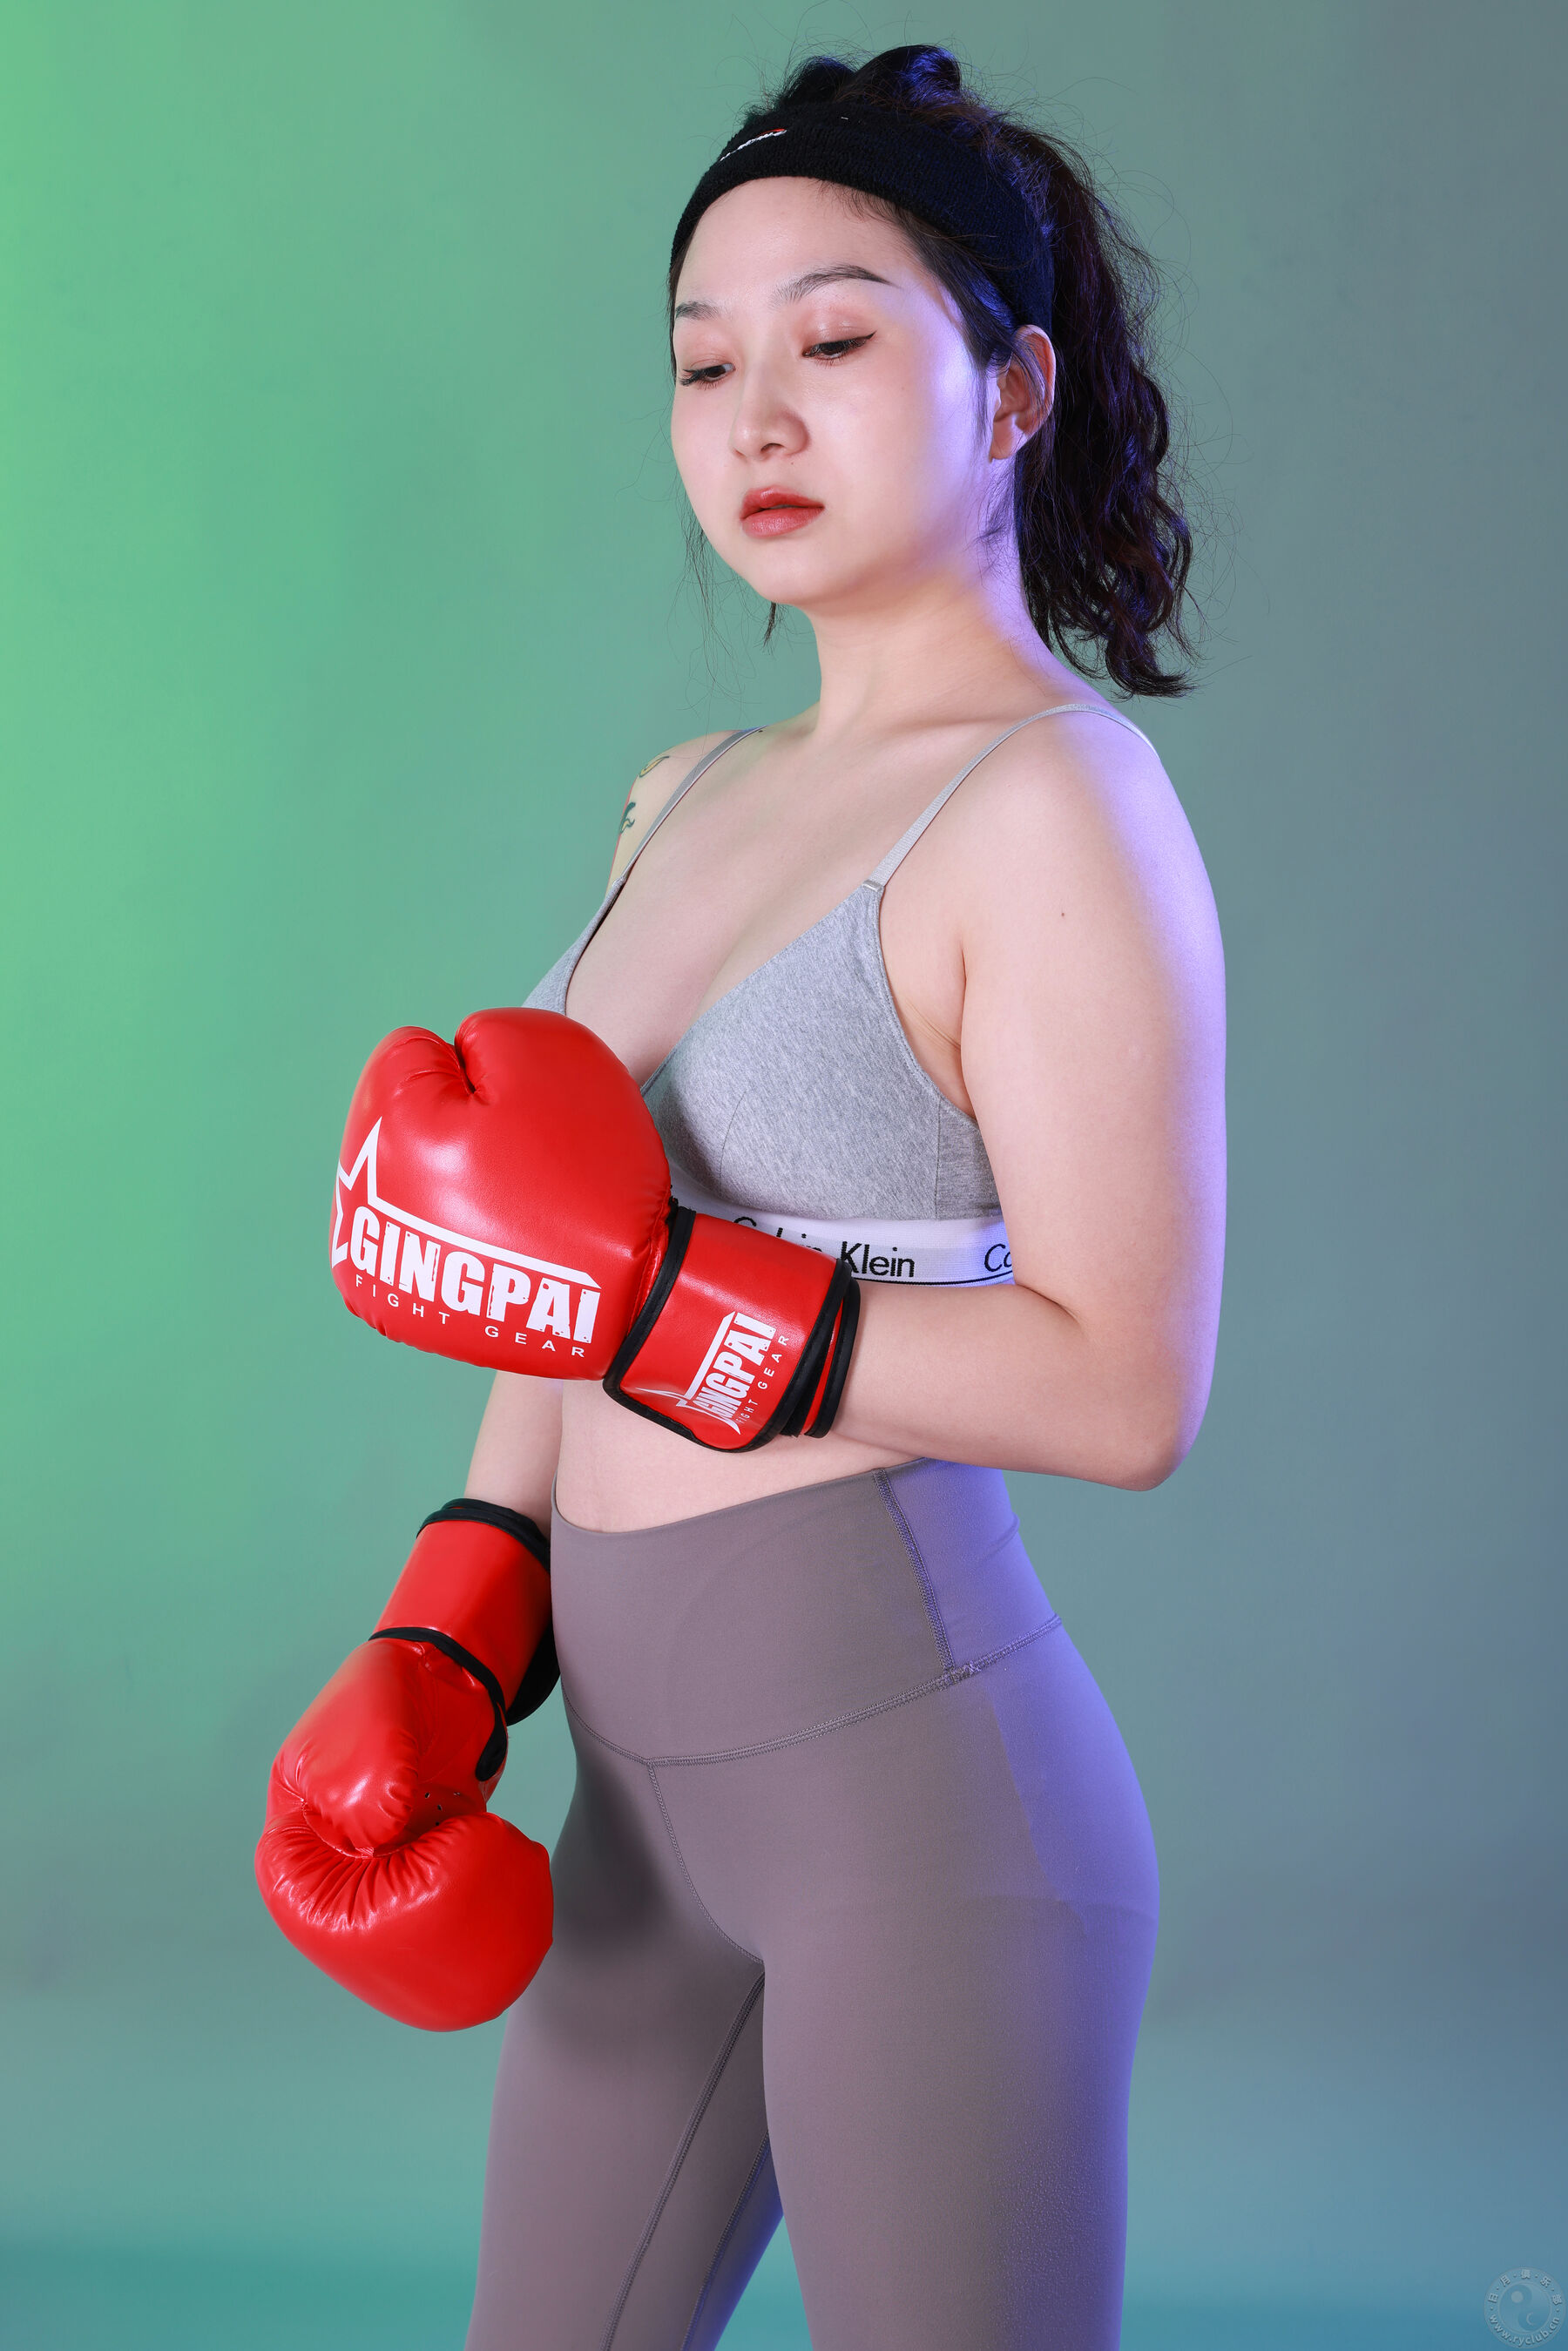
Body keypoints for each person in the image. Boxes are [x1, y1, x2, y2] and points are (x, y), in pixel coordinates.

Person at [266, 43, 1226, 2350]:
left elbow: (1127, 1386)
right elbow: (554, 1278)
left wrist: (675, 1297)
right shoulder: (683, 792)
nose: (755, 417)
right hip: (638, 1813)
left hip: (922, 1810)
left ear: (1013, 395)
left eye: (836, 340)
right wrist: (451, 1624)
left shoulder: (1058, 803)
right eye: (704, 364)